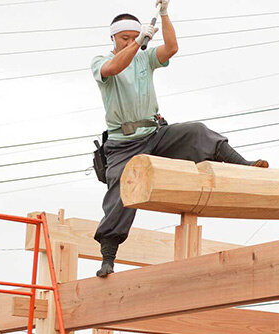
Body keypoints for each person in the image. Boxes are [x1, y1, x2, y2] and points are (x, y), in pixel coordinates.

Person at [91, 0, 269, 278]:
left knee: (196, 131)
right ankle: (108, 257)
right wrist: (139, 41)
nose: (129, 41)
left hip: (154, 134)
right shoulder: (101, 61)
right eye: (124, 37)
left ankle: (243, 164)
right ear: (113, 37)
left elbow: (171, 48)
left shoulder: (144, 58)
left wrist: (164, 15)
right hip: (123, 145)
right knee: (122, 190)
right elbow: (115, 68)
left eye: (133, 36)